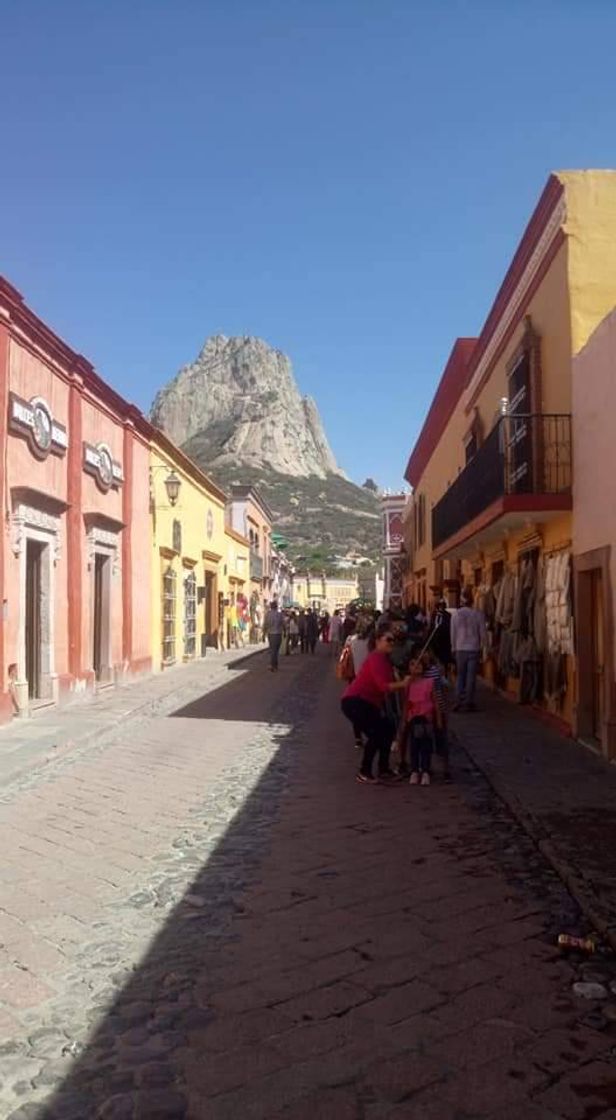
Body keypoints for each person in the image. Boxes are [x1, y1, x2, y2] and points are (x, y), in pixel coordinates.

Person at [341, 622, 410, 784]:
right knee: (377, 734)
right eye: (388, 639)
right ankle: (364, 771)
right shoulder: (376, 658)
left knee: (387, 729)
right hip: (356, 701)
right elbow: (383, 686)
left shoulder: (385, 660)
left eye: (394, 640)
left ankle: (384, 769)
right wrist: (402, 684)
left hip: (368, 702)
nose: (392, 643)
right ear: (378, 641)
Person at [404, 656, 440, 786]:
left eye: (419, 664)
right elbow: (406, 704)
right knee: (414, 746)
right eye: (413, 664)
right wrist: (404, 721)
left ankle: (425, 771)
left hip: (427, 718)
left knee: (426, 746)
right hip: (413, 719)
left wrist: (439, 719)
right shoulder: (408, 684)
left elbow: (435, 702)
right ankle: (414, 770)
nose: (416, 666)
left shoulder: (429, 682)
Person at [451, 589, 487, 711]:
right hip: (473, 648)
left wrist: (453, 647)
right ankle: (468, 701)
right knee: (471, 676)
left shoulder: (456, 615)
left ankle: (458, 700)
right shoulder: (478, 614)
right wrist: (485, 647)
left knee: (460, 675)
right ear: (472, 600)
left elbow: (453, 633)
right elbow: (483, 633)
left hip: (460, 648)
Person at [264, 600, 284, 671]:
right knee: (276, 650)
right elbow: (283, 624)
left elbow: (265, 624)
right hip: (278, 634)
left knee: (273, 650)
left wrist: (264, 634)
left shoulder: (268, 614)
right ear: (276, 606)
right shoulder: (280, 614)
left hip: (271, 634)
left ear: (271, 606)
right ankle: (274, 665)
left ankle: (273, 665)